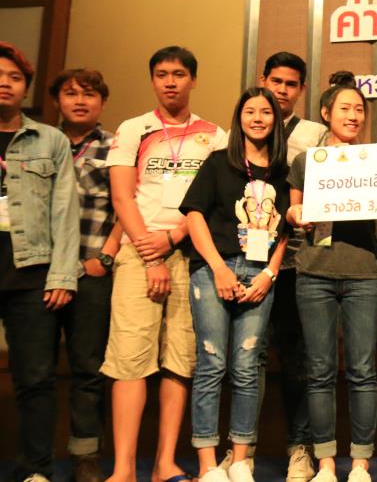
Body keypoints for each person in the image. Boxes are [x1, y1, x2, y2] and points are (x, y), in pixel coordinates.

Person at [103, 46, 228, 482]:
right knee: (130, 358)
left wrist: (174, 238)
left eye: (178, 74)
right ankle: (122, 469)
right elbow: (122, 197)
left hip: (191, 253)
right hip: (138, 252)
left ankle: (164, 463)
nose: (170, 82)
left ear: (194, 79)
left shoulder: (214, 135)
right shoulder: (132, 129)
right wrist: (150, 251)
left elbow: (215, 203)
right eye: (161, 74)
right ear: (152, 80)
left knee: (180, 358)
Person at [180, 87, 290, 482]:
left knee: (247, 367)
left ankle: (240, 459)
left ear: (276, 120)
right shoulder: (217, 163)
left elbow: (285, 231)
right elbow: (194, 216)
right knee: (212, 363)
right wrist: (218, 269)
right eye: (250, 111)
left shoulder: (282, 172)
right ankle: (208, 466)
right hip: (215, 270)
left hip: (260, 275)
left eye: (266, 112)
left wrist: (269, 274)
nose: (258, 118)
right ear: (239, 118)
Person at [231, 52, 327, 481]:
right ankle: (241, 451)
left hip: (297, 263)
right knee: (246, 358)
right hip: (247, 263)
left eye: (291, 84)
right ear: (263, 80)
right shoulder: (241, 130)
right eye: (276, 82)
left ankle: (299, 448)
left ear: (301, 89)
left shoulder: (316, 134)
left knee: (297, 360)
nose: (282, 90)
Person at [286, 72, 377, 482]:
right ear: (326, 113)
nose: (353, 115)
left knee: (362, 370)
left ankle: (360, 463)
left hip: (363, 273)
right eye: (345, 108)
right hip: (315, 273)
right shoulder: (305, 162)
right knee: (320, 371)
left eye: (359, 109)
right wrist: (296, 214)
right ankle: (325, 462)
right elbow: (294, 210)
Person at [0, 42, 80, 482]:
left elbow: (65, 211)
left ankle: (35, 469)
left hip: (30, 274)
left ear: (26, 87)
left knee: (35, 378)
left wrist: (62, 275)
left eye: (14, 78)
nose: (5, 84)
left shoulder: (50, 140)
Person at [48, 68, 123, 482]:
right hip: (41, 272)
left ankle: (86, 456)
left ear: (103, 101)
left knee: (88, 368)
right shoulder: (42, 142)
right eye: (71, 93)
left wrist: (105, 258)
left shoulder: (114, 146)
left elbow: (128, 205)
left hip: (92, 270)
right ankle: (36, 459)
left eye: (90, 94)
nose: (80, 101)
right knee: (37, 369)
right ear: (57, 100)